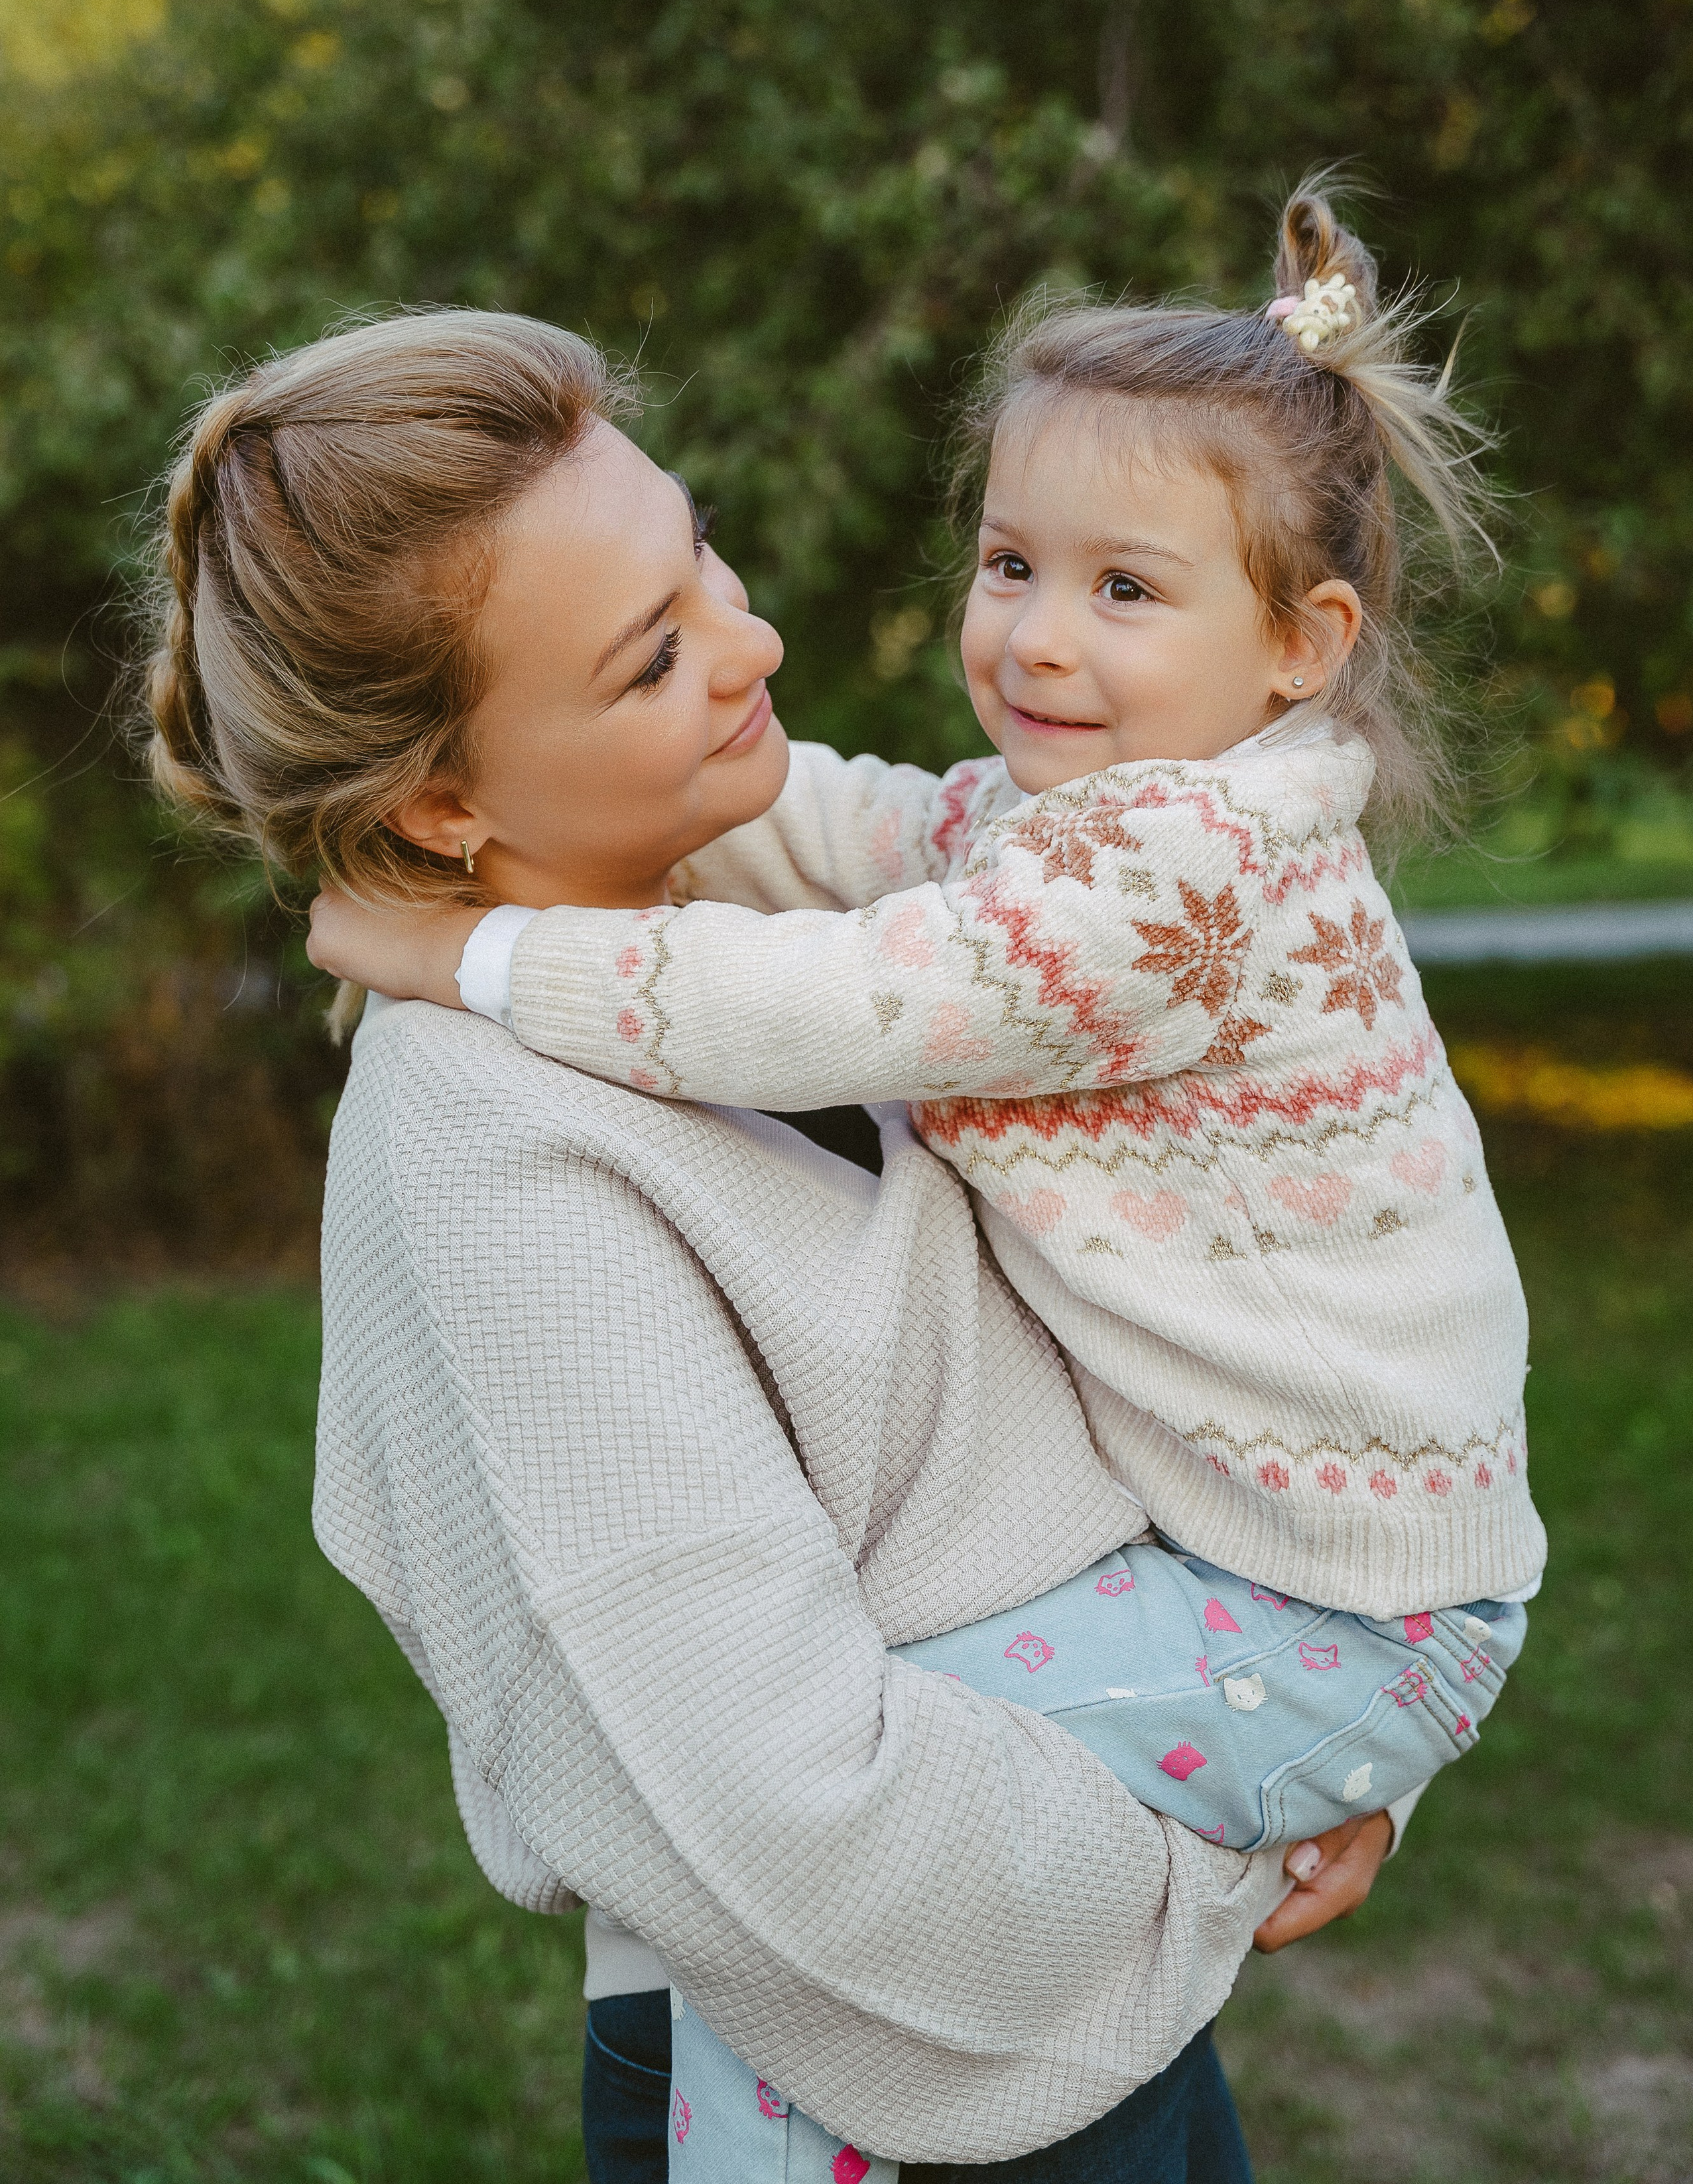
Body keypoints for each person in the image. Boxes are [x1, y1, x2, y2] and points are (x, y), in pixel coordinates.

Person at [305, 194, 1543, 2177]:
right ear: (442, 791)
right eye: (1009, 564)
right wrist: (1235, 1838)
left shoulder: (1159, 877)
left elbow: (857, 986)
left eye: (1124, 590)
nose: (1034, 632)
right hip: (952, 1992)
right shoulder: (503, 1147)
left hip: (1313, 1620)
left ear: (1305, 648)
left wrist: (478, 947)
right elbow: (795, 1821)